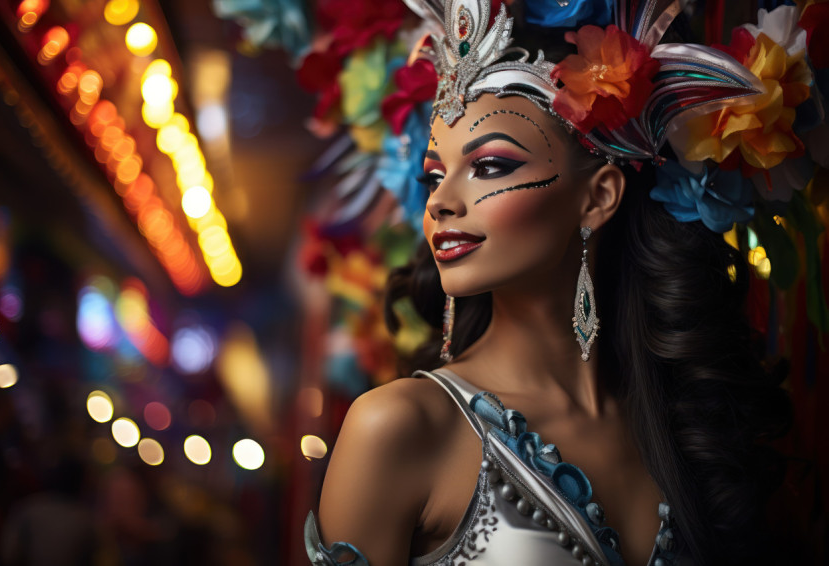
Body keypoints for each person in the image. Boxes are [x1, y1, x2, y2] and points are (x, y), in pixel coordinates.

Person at [304, 0, 813, 563]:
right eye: (434, 174)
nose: (442, 203)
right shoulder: (399, 428)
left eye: (490, 166)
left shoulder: (690, 424)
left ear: (598, 197)